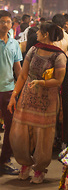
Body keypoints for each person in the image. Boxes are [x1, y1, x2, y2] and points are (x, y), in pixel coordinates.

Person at [8, 21, 66, 183]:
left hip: (47, 101)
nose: (37, 34)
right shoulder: (33, 50)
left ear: (46, 34)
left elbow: (59, 80)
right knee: (19, 134)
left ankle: (40, 168)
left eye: (39, 31)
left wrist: (41, 83)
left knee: (43, 136)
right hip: (27, 97)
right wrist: (14, 94)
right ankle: (25, 163)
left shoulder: (59, 55)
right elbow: (23, 74)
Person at [0, 10, 22, 175]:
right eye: (2, 21)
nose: (5, 24)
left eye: (8, 22)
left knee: (11, 126)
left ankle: (5, 160)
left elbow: (17, 67)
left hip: (8, 91)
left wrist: (21, 87)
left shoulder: (14, 43)